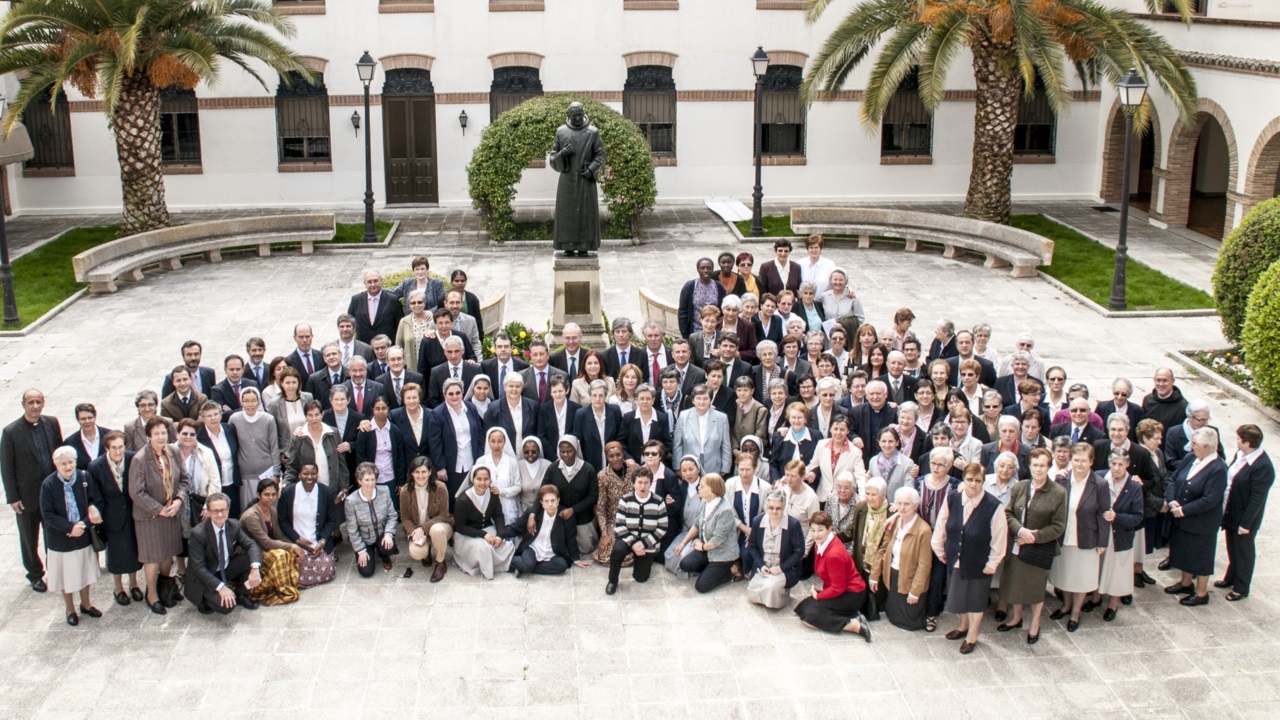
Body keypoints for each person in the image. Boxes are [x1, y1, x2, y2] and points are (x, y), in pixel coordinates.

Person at [931, 463, 1008, 654]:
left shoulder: (994, 506)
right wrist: (939, 549)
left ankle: (972, 635)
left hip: (979, 562)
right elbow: (941, 524)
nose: (973, 484)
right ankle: (963, 626)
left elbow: (999, 538)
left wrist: (993, 563)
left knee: (975, 601)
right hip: (955, 558)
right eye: (970, 480)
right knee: (959, 597)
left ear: (983, 482)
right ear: (963, 480)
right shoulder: (953, 497)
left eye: (978, 481)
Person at [999, 448, 1068, 644]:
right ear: (1029, 466)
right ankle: (1016, 618)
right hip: (1017, 545)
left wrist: (1034, 537)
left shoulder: (1058, 492)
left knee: (1036, 589)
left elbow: (1058, 526)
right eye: (1035, 465)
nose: (1038, 469)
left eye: (1042, 465)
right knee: (1015, 585)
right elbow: (1008, 513)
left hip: (1039, 549)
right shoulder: (1020, 487)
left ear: (1049, 467)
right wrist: (1021, 531)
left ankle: (1035, 623)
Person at [2, 389, 63, 592]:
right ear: (23, 404)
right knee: (29, 538)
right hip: (27, 496)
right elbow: (7, 467)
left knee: (53, 534)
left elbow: (60, 453)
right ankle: (35, 574)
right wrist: (13, 497)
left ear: (43, 402)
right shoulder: (11, 432)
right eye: (31, 402)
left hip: (51, 493)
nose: (35, 406)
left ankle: (55, 570)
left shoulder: (52, 423)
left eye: (38, 401)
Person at [129, 417, 190, 614]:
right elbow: (136, 491)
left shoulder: (173, 452)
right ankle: (152, 594)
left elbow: (184, 480)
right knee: (153, 557)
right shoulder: (140, 459)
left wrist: (178, 500)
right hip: (150, 518)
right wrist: (158, 509)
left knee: (167, 554)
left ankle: (164, 588)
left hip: (171, 514)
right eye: (156, 434)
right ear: (149, 436)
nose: (161, 437)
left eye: (163, 433)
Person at [1164, 427, 1228, 606]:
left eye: (1194, 444)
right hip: (1182, 517)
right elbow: (1173, 479)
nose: (1191, 446)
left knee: (1201, 556)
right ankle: (1185, 583)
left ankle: (1201, 592)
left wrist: (1184, 510)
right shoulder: (1190, 458)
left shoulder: (1218, 468)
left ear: (1207, 447)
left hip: (1202, 522)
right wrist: (1172, 500)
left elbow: (1210, 499)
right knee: (1184, 550)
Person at [40, 447, 102, 625]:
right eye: (64, 463)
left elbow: (94, 501)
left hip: (82, 534)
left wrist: (83, 524)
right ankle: (70, 609)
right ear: (56, 464)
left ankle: (86, 604)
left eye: (71, 462)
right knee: (65, 577)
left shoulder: (84, 477)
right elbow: (47, 514)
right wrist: (70, 527)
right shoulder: (49, 484)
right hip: (61, 539)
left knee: (84, 572)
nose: (68, 466)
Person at [794, 511, 872, 641]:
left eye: (820, 530)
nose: (816, 534)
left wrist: (819, 596)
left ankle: (855, 625)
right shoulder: (822, 542)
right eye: (813, 530)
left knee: (809, 620)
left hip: (852, 594)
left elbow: (838, 588)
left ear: (830, 529)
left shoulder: (833, 555)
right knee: (805, 608)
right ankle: (849, 615)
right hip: (843, 589)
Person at [86, 431, 143, 605]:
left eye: (121, 447)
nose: (118, 451)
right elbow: (93, 493)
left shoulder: (133, 458)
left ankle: (133, 583)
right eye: (114, 448)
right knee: (116, 552)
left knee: (133, 549)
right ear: (107, 448)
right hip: (111, 514)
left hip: (132, 512)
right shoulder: (96, 466)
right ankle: (118, 587)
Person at [1218, 424, 1274, 601]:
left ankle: (1241, 588)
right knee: (1232, 547)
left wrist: (1245, 524)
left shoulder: (1263, 467)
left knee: (1243, 552)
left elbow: (1257, 499)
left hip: (1244, 517)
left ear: (1247, 443)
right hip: (1231, 511)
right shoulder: (1241, 454)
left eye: (1238, 439)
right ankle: (1230, 577)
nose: (1236, 441)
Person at [1090, 448, 1145, 620]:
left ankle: (1112, 604)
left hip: (1119, 536)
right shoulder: (1098, 477)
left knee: (1117, 571)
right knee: (1097, 567)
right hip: (1099, 534)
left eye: (1121, 464)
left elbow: (1137, 516)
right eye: (1113, 463)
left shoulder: (1134, 486)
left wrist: (1117, 517)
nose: (1116, 468)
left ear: (1127, 464)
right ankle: (1096, 597)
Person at [870, 486, 933, 631]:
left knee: (910, 616)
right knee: (893, 611)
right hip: (893, 574)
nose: (902, 507)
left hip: (910, 577)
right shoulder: (894, 523)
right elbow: (883, 549)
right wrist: (874, 575)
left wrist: (915, 591)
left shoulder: (924, 530)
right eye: (899, 503)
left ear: (915, 506)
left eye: (907, 504)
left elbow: (924, 565)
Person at [550, 101, 606, 255]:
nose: (577, 118)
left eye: (580, 115)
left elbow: (600, 155)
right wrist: (563, 153)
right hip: (567, 182)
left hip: (585, 180)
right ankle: (567, 246)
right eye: (574, 115)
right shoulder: (561, 132)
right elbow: (553, 159)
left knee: (586, 215)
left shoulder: (592, 132)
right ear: (568, 115)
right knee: (566, 215)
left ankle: (584, 247)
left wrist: (591, 169)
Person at [238, 478, 303, 606]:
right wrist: (292, 546)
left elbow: (279, 535)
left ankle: (281, 586)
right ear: (259, 495)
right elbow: (266, 542)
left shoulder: (272, 510)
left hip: (264, 548)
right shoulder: (251, 516)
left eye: (273, 494)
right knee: (281, 555)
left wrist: (296, 546)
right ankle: (275, 591)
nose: (271, 498)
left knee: (290, 553)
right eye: (266, 494)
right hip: (250, 553)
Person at [670, 473, 738, 593]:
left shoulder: (725, 510)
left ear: (712, 489)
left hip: (722, 553)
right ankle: (712, 570)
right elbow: (697, 523)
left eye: (702, 486)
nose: (698, 488)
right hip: (707, 549)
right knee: (685, 564)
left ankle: (731, 570)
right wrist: (683, 543)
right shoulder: (705, 501)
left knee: (701, 586)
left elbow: (717, 539)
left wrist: (701, 547)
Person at [607, 467, 669, 594]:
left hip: (648, 543)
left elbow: (662, 527)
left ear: (650, 484)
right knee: (617, 551)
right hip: (628, 538)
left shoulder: (659, 501)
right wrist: (634, 543)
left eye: (646, 482)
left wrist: (644, 544)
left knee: (641, 578)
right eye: (639, 482)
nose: (643, 486)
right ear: (633, 483)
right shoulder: (625, 499)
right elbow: (619, 524)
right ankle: (612, 580)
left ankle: (641, 565)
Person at [540, 435, 599, 561]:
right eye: (562, 452)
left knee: (585, 549)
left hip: (582, 517)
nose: (565, 455)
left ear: (576, 450)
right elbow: (543, 491)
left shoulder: (588, 469)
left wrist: (573, 510)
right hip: (560, 516)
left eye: (569, 451)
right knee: (559, 548)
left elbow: (593, 496)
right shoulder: (553, 468)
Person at [426, 378, 484, 506]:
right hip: (451, 466)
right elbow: (435, 443)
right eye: (450, 394)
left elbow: (479, 435)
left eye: (458, 393)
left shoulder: (471, 408)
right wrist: (440, 467)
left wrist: (480, 459)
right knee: (454, 501)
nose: (455, 396)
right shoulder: (437, 414)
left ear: (462, 393)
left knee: (472, 500)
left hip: (471, 462)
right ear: (444, 395)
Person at [745, 490, 806, 610]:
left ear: (784, 507)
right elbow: (752, 545)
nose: (774, 511)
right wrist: (761, 565)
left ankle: (783, 595)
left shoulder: (793, 524)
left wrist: (781, 568)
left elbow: (799, 551)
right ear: (766, 507)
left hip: (783, 567)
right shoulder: (758, 521)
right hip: (764, 566)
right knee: (752, 596)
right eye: (771, 507)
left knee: (771, 587)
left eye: (778, 508)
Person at [277, 464, 339, 580]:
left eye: (313, 473)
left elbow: (331, 519)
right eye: (305, 473)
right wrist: (297, 540)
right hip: (296, 542)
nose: (309, 477)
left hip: (319, 542)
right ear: (299, 475)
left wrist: (322, 542)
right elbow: (283, 520)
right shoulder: (288, 493)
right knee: (293, 574)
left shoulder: (326, 492)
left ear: (317, 475)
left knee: (327, 572)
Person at [453, 466, 516, 578]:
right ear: (472, 480)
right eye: (479, 479)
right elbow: (460, 527)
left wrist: (500, 535)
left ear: (490, 480)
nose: (482, 483)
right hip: (466, 535)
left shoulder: (492, 495)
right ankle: (488, 569)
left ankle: (492, 564)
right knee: (484, 549)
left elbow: (498, 516)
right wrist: (483, 534)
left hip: (487, 529)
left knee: (506, 545)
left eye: (486, 479)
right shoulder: (463, 500)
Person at [398, 456, 453, 582]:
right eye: (417, 472)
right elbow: (405, 518)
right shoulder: (405, 491)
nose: (420, 475)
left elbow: (443, 515)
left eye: (424, 472)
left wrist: (423, 528)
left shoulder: (440, 487)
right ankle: (426, 552)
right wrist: (414, 532)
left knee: (436, 530)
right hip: (417, 530)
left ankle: (440, 563)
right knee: (416, 552)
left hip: (440, 526)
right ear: (412, 473)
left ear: (430, 472)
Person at [505, 485, 578, 576]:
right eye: (546, 501)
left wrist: (576, 559)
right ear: (541, 503)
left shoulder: (565, 515)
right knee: (528, 563)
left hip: (552, 553)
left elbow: (571, 539)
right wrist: (499, 534)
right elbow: (516, 527)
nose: (550, 504)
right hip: (533, 549)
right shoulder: (533, 513)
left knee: (562, 565)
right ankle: (518, 563)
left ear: (558, 501)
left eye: (553, 500)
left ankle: (524, 568)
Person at [228, 387, 279, 517]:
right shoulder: (234, 419)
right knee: (248, 513)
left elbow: (274, 447)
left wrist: (276, 473)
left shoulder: (268, 419)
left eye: (253, 400)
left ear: (258, 401)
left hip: (266, 473)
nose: (250, 404)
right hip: (245, 474)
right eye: (246, 401)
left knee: (268, 511)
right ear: (241, 402)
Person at [345, 462, 398, 577]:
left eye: (373, 479)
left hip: (382, 535)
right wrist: (360, 550)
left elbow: (392, 516)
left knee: (389, 548)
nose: (370, 483)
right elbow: (352, 530)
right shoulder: (351, 501)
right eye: (366, 480)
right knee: (366, 572)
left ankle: (384, 555)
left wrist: (388, 534)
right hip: (365, 540)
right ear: (359, 481)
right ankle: (368, 552)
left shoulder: (384, 491)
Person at [592, 441, 638, 565]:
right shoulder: (603, 476)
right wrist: (604, 533)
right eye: (611, 456)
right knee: (607, 556)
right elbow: (600, 507)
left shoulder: (634, 469)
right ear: (607, 458)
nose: (615, 459)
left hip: (635, 517)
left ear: (623, 454)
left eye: (618, 455)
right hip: (615, 519)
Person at [673, 384, 732, 476]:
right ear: (693, 400)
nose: (702, 402)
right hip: (689, 465)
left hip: (713, 465)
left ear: (710, 400)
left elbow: (726, 445)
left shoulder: (721, 418)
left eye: (705, 399)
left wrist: (725, 468)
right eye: (698, 398)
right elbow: (677, 444)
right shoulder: (684, 416)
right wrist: (677, 467)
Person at [805, 414, 864, 502]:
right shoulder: (821, 445)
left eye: (842, 430)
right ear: (830, 429)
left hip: (844, 499)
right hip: (823, 496)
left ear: (848, 431)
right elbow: (812, 465)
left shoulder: (855, 451)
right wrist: (794, 476)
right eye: (835, 429)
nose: (838, 433)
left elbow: (860, 476)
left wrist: (862, 496)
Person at [395, 290, 435, 380]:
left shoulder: (433, 320)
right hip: (411, 367)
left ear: (424, 303)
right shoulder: (404, 322)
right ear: (409, 305)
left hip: (430, 367)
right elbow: (399, 345)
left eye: (420, 302)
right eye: (413, 303)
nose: (417, 305)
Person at [61, 403, 109, 470]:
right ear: (78, 420)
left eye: (90, 418)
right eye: (83, 419)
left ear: (95, 417)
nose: (87, 421)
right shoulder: (70, 442)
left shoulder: (109, 435)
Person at [1141, 367, 1188, 433]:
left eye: (1165, 380)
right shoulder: (1148, 400)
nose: (1161, 384)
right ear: (1154, 380)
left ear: (1173, 381)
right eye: (1158, 380)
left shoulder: (1183, 406)